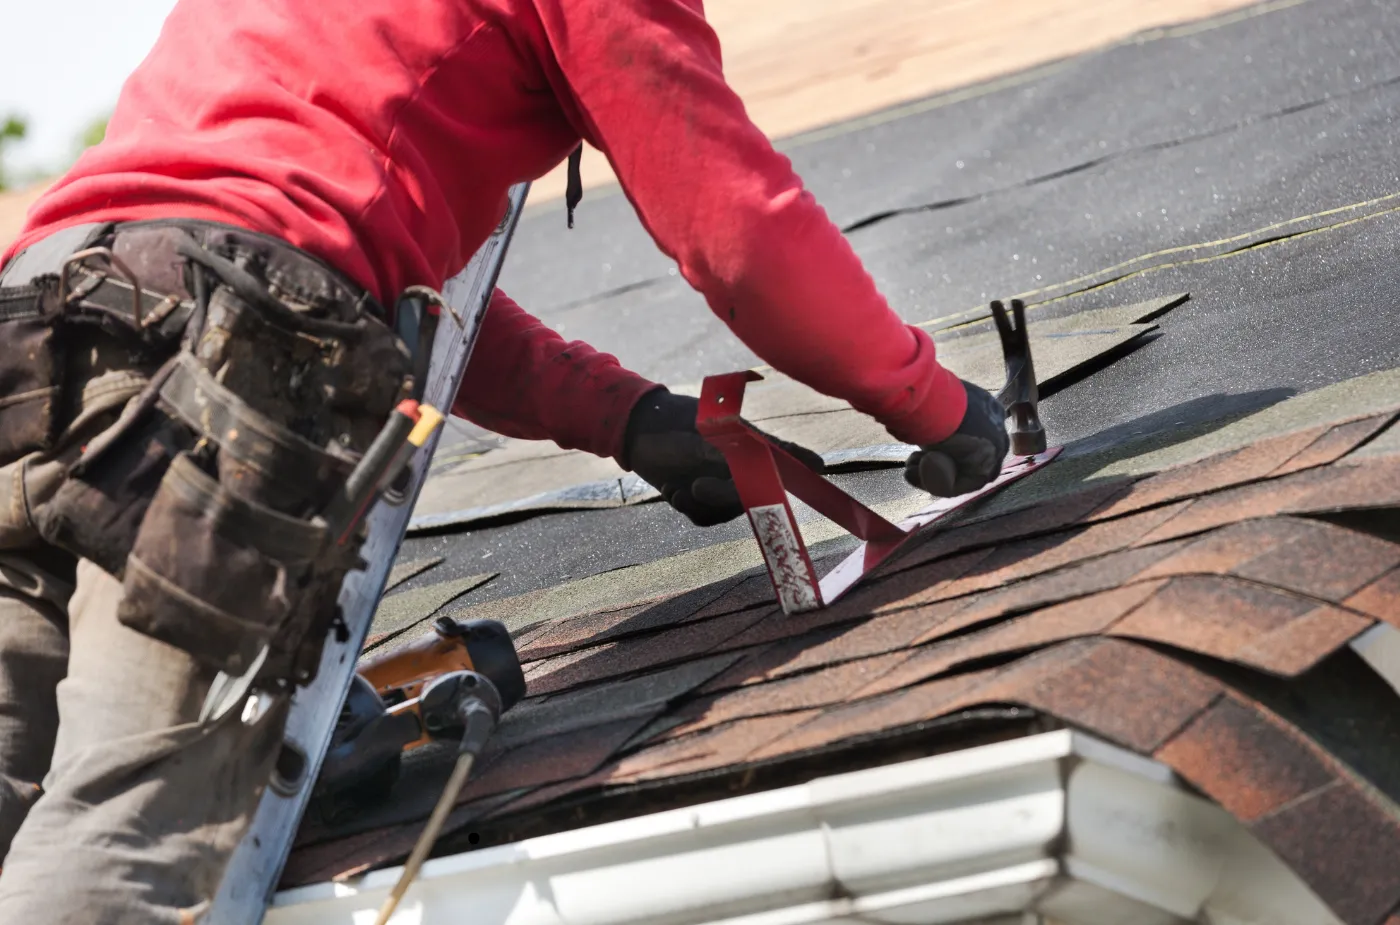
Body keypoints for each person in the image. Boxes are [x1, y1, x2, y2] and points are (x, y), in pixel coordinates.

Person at [0, 0, 1009, 919]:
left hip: (40, 324)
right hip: (225, 365)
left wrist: (626, 417)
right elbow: (736, 231)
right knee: (124, 835)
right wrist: (929, 402)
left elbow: (349, 272)